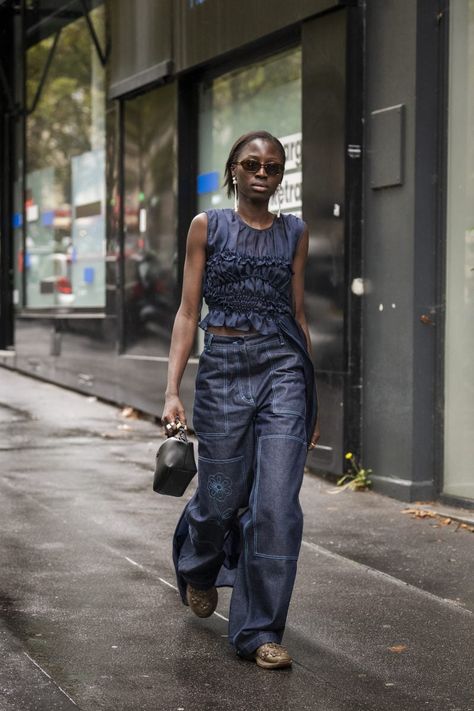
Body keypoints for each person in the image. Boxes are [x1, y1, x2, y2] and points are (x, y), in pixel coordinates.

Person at [161, 130, 319, 670]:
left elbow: (298, 316)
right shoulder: (208, 227)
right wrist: (171, 390)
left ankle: (258, 631)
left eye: (272, 167)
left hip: (283, 369)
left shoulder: (295, 232)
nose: (262, 172)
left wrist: (311, 398)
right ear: (234, 168)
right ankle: (199, 564)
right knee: (220, 500)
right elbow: (187, 313)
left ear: (280, 177)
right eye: (251, 163)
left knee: (276, 505)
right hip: (224, 372)